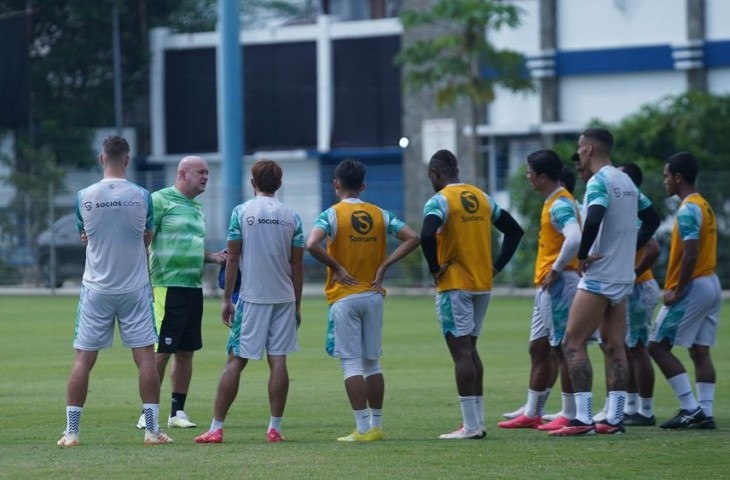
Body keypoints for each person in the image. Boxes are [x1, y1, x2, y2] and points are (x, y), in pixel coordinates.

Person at [58, 136, 172, 447]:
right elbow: (146, 237)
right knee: (145, 358)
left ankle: (72, 433)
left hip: (96, 287)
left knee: (84, 359)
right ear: (128, 159)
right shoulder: (142, 196)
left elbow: (86, 234)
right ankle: (151, 431)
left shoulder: (84, 196)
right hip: (134, 288)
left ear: (101, 158)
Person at [550, 128, 660, 436]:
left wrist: (583, 254)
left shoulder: (599, 182)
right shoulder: (626, 180)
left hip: (599, 277)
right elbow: (653, 218)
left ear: (587, 149)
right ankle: (614, 417)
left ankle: (582, 418)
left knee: (571, 343)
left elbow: (595, 215)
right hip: (623, 277)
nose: (579, 152)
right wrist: (629, 250)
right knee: (615, 347)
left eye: (579, 147)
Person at [305, 158, 420, 442]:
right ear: (363, 185)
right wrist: (384, 265)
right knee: (373, 364)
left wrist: (337, 267)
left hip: (345, 296)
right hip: (373, 294)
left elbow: (311, 244)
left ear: (336, 184)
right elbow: (413, 237)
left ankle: (362, 428)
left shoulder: (331, 215)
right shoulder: (379, 214)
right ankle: (377, 425)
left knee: (351, 365)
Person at [195, 160, 304, 444]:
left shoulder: (241, 212)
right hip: (283, 297)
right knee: (278, 360)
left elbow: (232, 259)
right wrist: (297, 304)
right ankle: (274, 428)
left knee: (235, 361)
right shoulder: (292, 216)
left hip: (252, 297)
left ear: (253, 183)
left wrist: (227, 299)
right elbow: (298, 266)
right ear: (278, 184)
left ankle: (216, 428)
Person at [421, 149, 524, 439]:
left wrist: (434, 268)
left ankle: (469, 426)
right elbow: (514, 231)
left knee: (461, 354)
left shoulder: (440, 200)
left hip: (455, 284)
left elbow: (426, 234)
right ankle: (476, 423)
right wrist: (497, 267)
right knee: (471, 350)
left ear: (435, 173)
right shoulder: (481, 197)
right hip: (482, 283)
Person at [136, 156, 226, 430]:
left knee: (186, 352)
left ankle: (177, 412)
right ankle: (147, 413)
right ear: (182, 173)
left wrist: (215, 257)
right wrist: (146, 283)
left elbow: (190, 249)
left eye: (208, 173)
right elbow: (143, 243)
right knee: (161, 352)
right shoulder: (160, 200)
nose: (206, 177)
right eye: (201, 172)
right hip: (167, 287)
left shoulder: (196, 208)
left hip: (192, 287)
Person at [498, 151, 581, 432]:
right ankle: (533, 411)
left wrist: (557, 268)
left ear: (543, 177)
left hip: (558, 285)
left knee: (562, 349)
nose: (527, 177)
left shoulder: (560, 204)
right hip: (545, 285)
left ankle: (570, 413)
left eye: (530, 172)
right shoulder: (553, 201)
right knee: (538, 347)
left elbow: (575, 238)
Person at [649, 152, 720, 430]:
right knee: (700, 350)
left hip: (693, 284)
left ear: (678, 177)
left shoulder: (689, 209)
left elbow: (690, 253)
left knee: (657, 346)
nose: (665, 181)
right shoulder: (704, 205)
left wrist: (678, 289)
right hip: (710, 281)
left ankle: (691, 408)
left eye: (667, 175)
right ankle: (706, 411)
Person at [618, 163, 661, 426]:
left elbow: (654, 248)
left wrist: (632, 274)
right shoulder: (627, 212)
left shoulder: (633, 214)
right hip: (632, 289)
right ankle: (632, 407)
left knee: (638, 349)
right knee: (629, 348)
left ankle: (645, 410)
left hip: (639, 288)